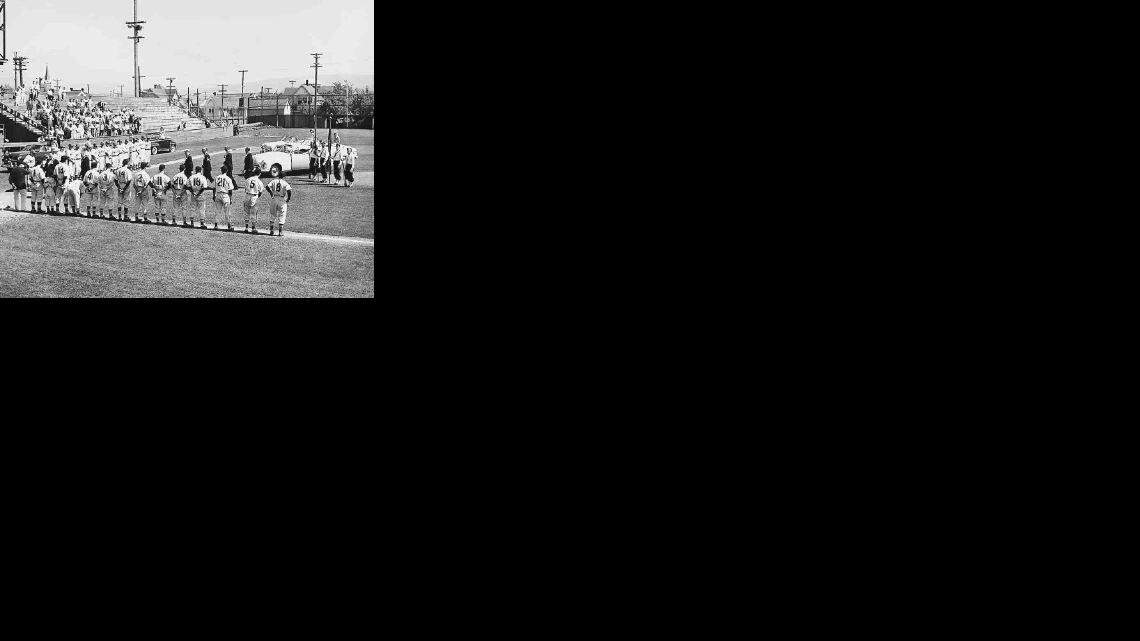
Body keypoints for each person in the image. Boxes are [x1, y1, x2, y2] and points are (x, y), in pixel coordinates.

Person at [265, 167, 291, 236]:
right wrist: (288, 198)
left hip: (274, 198)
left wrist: (271, 193)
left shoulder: (274, 181)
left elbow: (267, 187)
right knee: (282, 214)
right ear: (284, 177)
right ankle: (280, 231)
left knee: (273, 214)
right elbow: (289, 190)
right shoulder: (285, 182)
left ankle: (271, 230)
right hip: (282, 199)